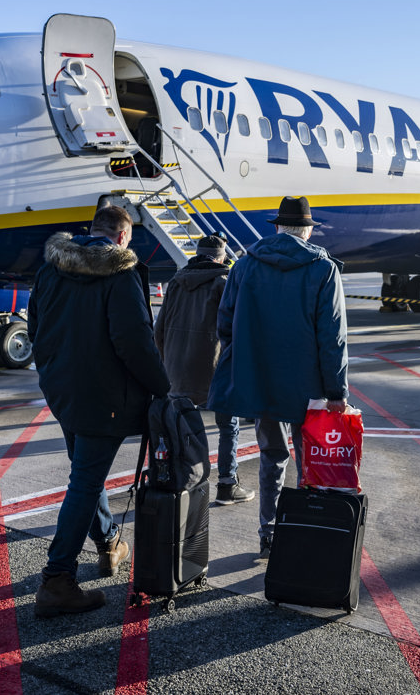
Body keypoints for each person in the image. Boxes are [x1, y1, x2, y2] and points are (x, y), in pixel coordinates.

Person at [27, 204, 170, 616]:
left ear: (92, 231)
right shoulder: (120, 274)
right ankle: (57, 580)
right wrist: (163, 389)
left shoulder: (51, 269)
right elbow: (135, 344)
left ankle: (108, 544)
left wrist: (53, 374)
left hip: (63, 394)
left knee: (86, 474)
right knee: (85, 483)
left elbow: (36, 328)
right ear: (124, 238)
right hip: (104, 400)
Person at [206, 196, 349, 559]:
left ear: (276, 227)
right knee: (309, 461)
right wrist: (336, 390)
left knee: (272, 455)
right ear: (308, 230)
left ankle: (268, 534)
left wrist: (248, 365)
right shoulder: (322, 268)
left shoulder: (245, 265)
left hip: (261, 381)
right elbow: (331, 337)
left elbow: (225, 325)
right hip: (309, 387)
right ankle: (303, 529)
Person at [154, 233, 255, 505]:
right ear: (222, 257)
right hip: (214, 368)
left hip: (177, 369)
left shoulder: (176, 281)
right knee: (228, 426)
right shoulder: (224, 282)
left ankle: (182, 481)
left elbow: (159, 329)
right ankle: (226, 485)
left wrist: (168, 363)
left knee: (179, 429)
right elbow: (235, 329)